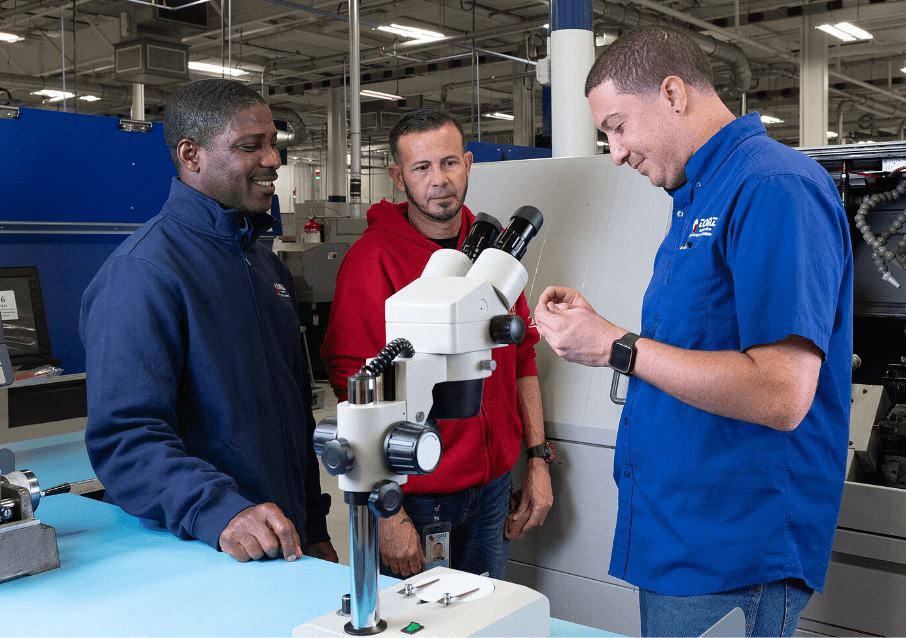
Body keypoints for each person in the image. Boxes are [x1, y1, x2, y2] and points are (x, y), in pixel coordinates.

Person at [534, 25, 852, 638]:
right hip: (681, 535)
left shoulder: (772, 187)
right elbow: (693, 349)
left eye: (618, 126)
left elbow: (783, 393)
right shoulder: (699, 195)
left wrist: (617, 346)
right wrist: (602, 332)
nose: (617, 152)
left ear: (674, 93)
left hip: (735, 548)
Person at [81, 78, 337, 565]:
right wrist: (219, 511)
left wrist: (313, 521)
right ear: (191, 154)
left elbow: (291, 416)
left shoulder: (266, 267)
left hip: (278, 542)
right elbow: (126, 439)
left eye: (273, 145)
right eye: (250, 147)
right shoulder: (143, 273)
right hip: (207, 546)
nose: (274, 160)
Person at [319, 109, 553, 580]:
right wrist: (387, 513)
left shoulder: (493, 259)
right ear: (398, 177)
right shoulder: (372, 260)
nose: (439, 180)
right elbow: (353, 385)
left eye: (449, 163)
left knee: (484, 624)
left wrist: (538, 459)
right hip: (419, 496)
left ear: (468, 164)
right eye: (421, 167)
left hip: (492, 488)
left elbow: (522, 356)